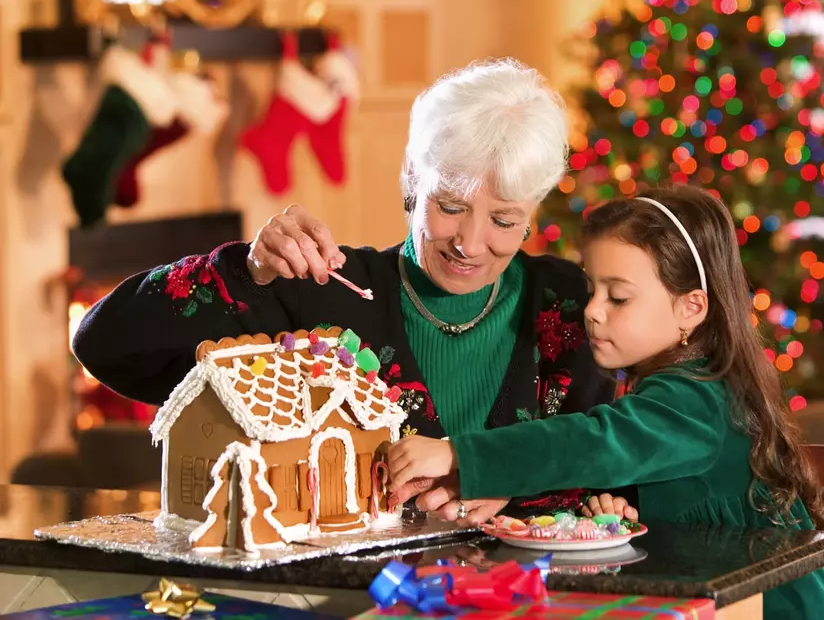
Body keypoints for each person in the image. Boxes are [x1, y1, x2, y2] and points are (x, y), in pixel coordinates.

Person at [70, 57, 633, 526]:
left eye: (505, 221)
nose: (470, 242)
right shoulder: (327, 289)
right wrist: (247, 269)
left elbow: (639, 460)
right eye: (451, 206)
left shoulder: (572, 304)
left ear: (532, 211)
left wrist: (511, 479)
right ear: (413, 181)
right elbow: (105, 345)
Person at [384, 186, 824, 619]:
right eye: (592, 290)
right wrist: (619, 510)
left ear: (692, 307)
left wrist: (457, 452)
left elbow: (597, 442)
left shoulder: (696, 398)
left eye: (619, 297)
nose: (591, 310)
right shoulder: (672, 387)